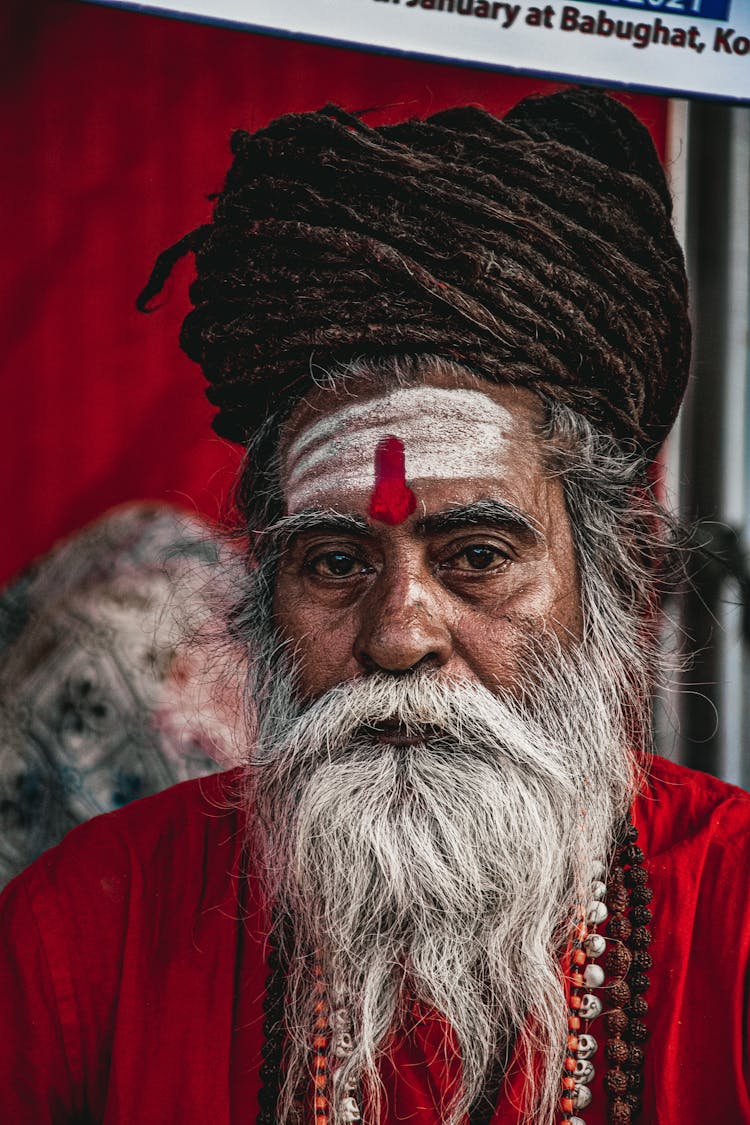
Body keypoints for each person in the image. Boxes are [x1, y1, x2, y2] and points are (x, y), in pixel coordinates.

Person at [1, 87, 749, 1125]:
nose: (399, 635)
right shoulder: (86, 926)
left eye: (478, 555)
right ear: (263, 603)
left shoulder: (739, 916)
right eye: (336, 562)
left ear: (609, 586)